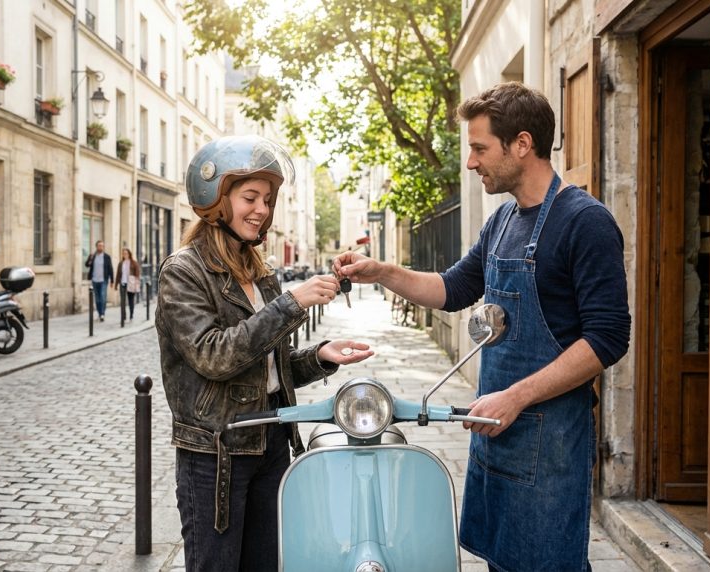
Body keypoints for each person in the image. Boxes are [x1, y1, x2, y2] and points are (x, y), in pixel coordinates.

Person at [333, 82, 630, 571]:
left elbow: (607, 338)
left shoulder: (586, 222)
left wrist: (514, 397)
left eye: (478, 148)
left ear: (522, 144)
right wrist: (381, 271)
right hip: (496, 432)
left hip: (549, 443)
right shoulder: (502, 221)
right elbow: (452, 289)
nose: (471, 162)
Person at [156, 135, 374, 571]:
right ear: (217, 200)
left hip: (272, 442)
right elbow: (214, 356)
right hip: (217, 455)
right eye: (250, 197)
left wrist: (323, 356)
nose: (262, 209)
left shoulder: (260, 272)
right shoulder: (183, 272)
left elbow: (268, 367)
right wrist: (292, 304)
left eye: (268, 200)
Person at [85, 240, 113, 322]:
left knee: (102, 297)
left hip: (103, 280)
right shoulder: (93, 256)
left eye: (102, 246)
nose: (100, 247)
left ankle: (102, 314)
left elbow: (110, 268)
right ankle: (99, 313)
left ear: (103, 247)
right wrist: (89, 259)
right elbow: (86, 265)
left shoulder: (107, 257)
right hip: (94, 280)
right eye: (99, 245)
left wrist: (112, 280)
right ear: (96, 246)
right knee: (97, 298)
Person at [113, 247, 141, 320]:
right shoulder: (121, 263)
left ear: (129, 254)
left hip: (131, 284)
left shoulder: (133, 263)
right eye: (123, 253)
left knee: (131, 300)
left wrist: (136, 282)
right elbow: (118, 275)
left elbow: (137, 273)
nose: (124, 255)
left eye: (126, 253)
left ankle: (131, 314)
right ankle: (123, 316)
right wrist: (116, 285)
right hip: (123, 283)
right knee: (122, 301)